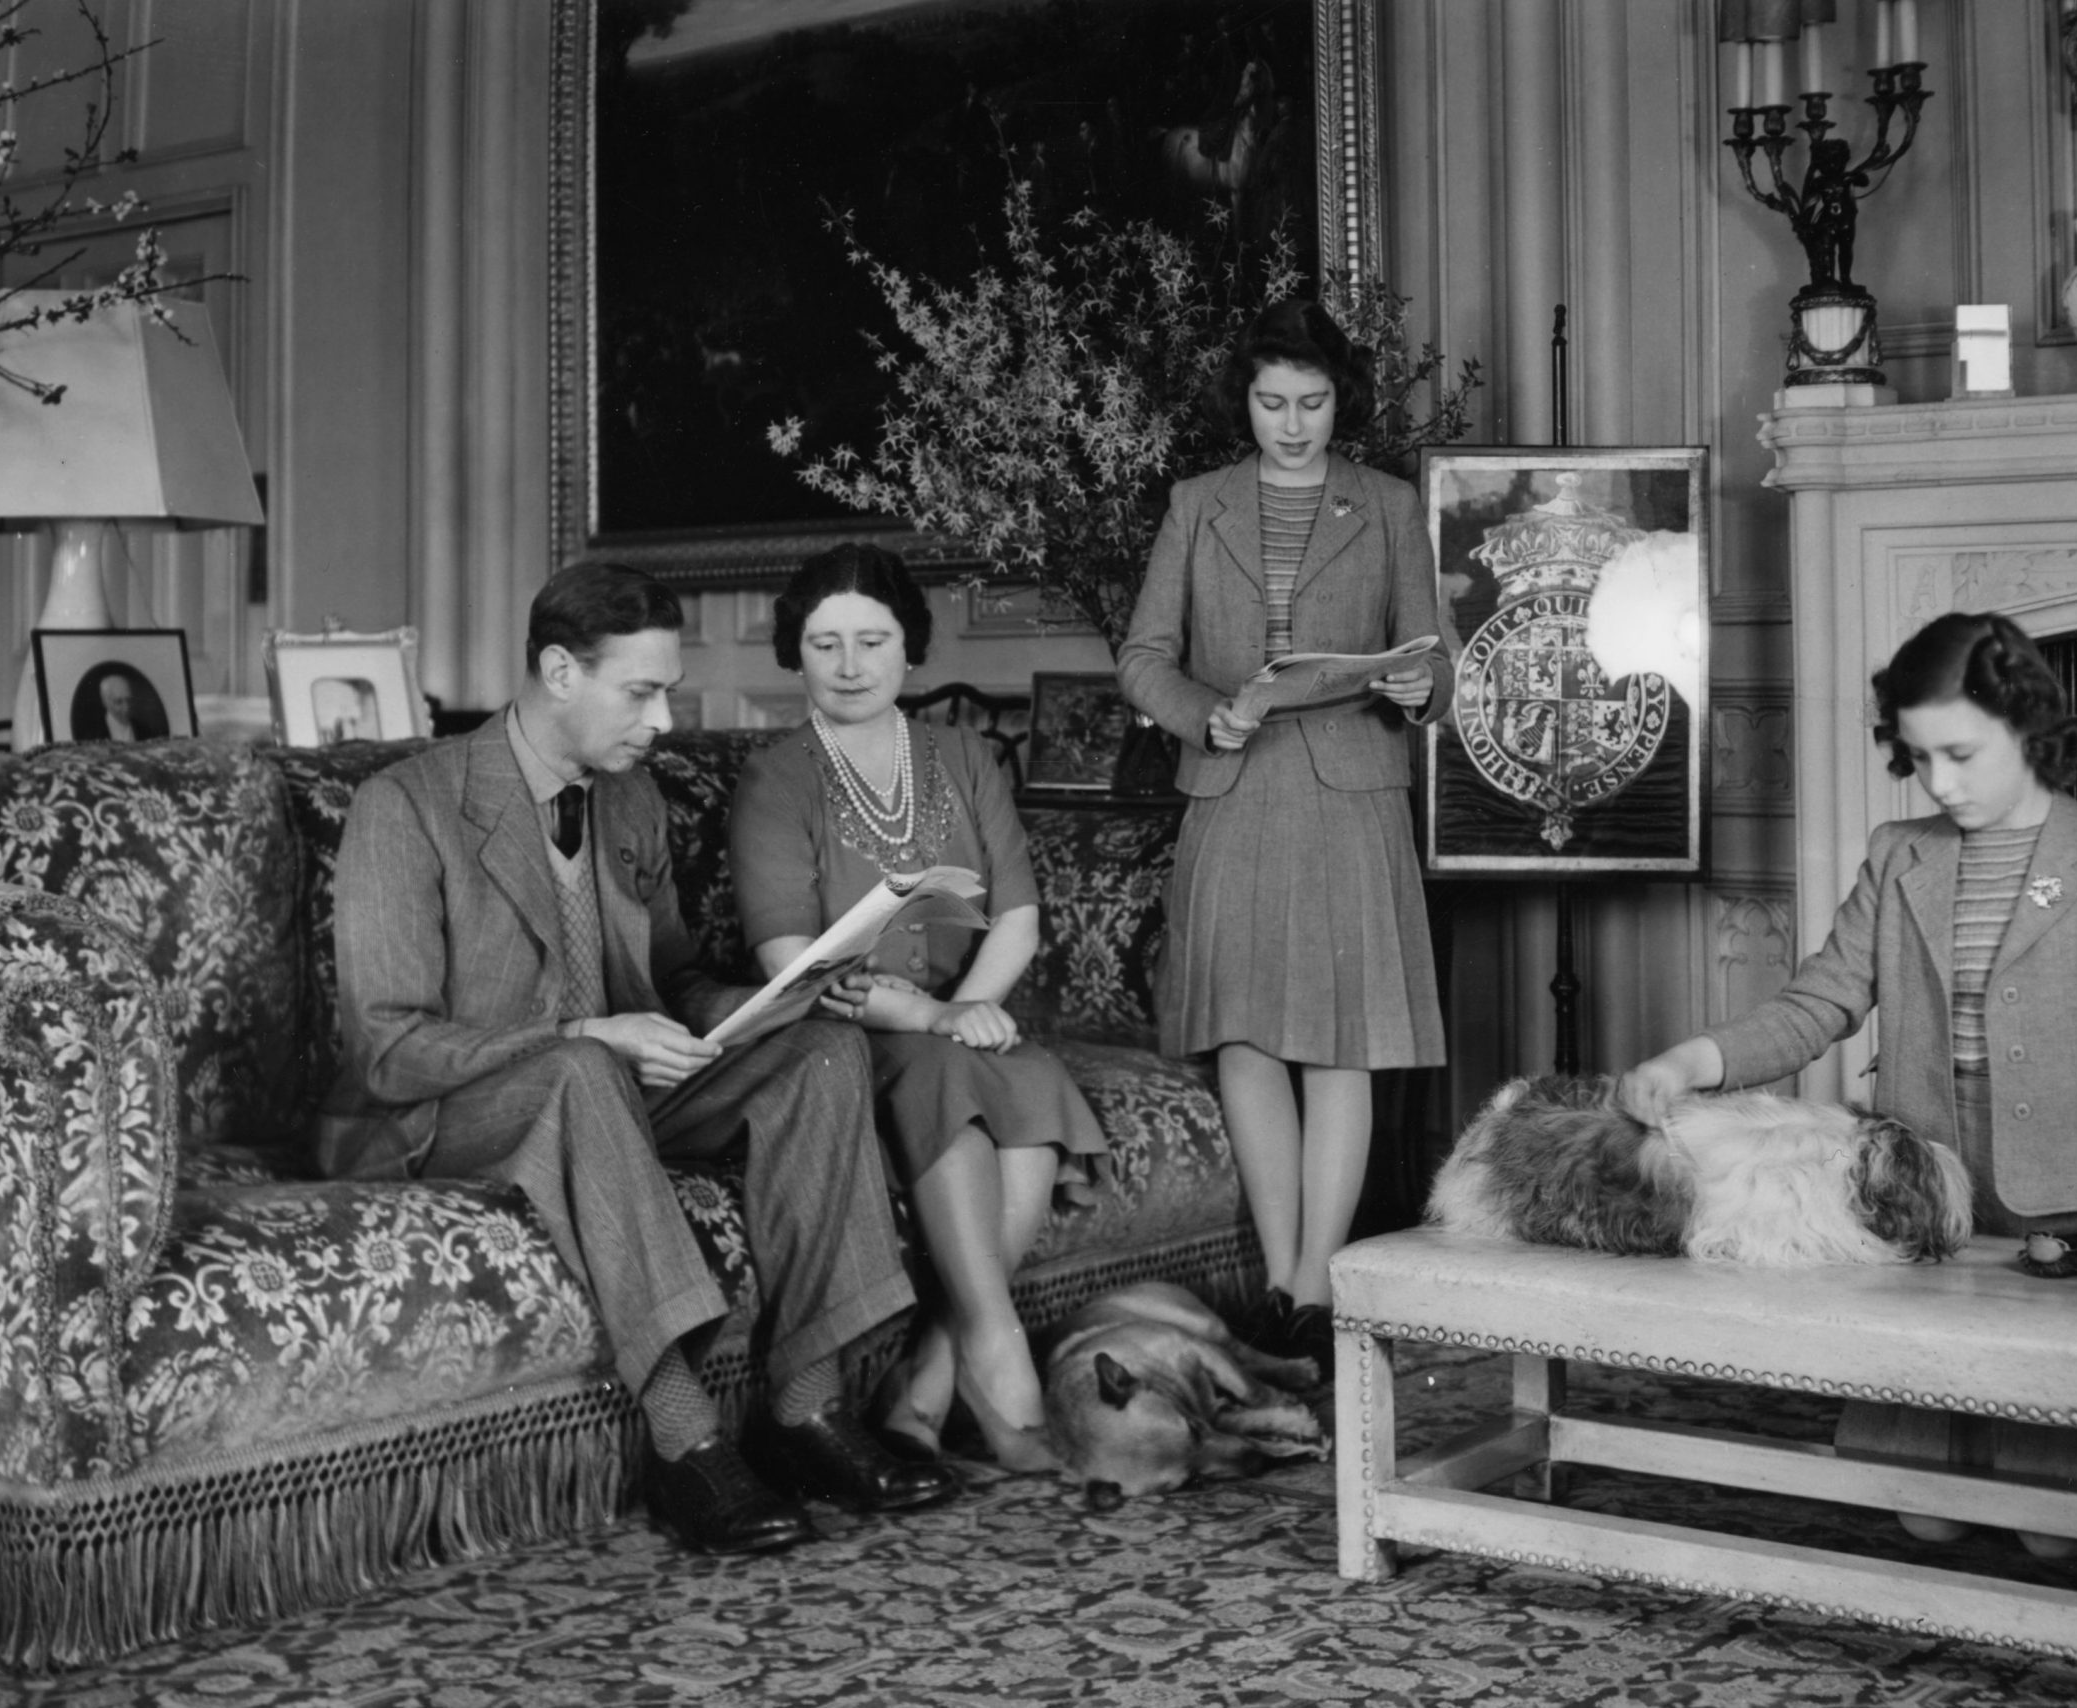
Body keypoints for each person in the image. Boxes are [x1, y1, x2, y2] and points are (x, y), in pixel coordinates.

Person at [318, 560, 954, 1557]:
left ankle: (807, 1405)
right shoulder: (406, 806)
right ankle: (682, 1434)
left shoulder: (628, 800)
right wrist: (580, 1034)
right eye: (642, 692)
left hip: (606, 1093)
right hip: (447, 1111)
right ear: (561, 671)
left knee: (825, 1051)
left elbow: (671, 978)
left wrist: (771, 1004)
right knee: (582, 1072)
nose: (661, 721)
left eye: (668, 693)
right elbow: (391, 1047)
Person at [1616, 610, 2077, 1556]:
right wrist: (1690, 1062)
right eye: (1921, 757)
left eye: (1964, 755)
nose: (1941, 783)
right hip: (1927, 1205)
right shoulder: (1902, 855)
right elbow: (1816, 1002)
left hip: (2074, 1218)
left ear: (2030, 727)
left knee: (2054, 1531)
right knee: (1923, 1512)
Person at [1116, 298, 1447, 1380]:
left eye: (1311, 403)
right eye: (1271, 403)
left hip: (1351, 787)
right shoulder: (1196, 502)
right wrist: (1199, 713)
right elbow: (1143, 655)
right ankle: (1279, 1274)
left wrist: (1412, 681)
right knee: (1248, 1037)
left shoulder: (1388, 503)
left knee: (1341, 1039)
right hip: (1234, 777)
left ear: (1337, 399)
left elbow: (1434, 662)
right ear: (1243, 400)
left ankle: (1314, 1282)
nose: (1292, 424)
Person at [729, 543, 1105, 1474]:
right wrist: (936, 1025)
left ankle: (931, 1378)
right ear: (796, 652)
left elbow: (1017, 913)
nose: (850, 666)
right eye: (824, 645)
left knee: (1023, 1072)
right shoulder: (775, 777)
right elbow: (791, 963)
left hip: (950, 1016)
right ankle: (998, 1353)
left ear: (909, 648)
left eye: (872, 640)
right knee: (952, 1068)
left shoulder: (964, 754)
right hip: (840, 1031)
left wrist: (966, 1011)